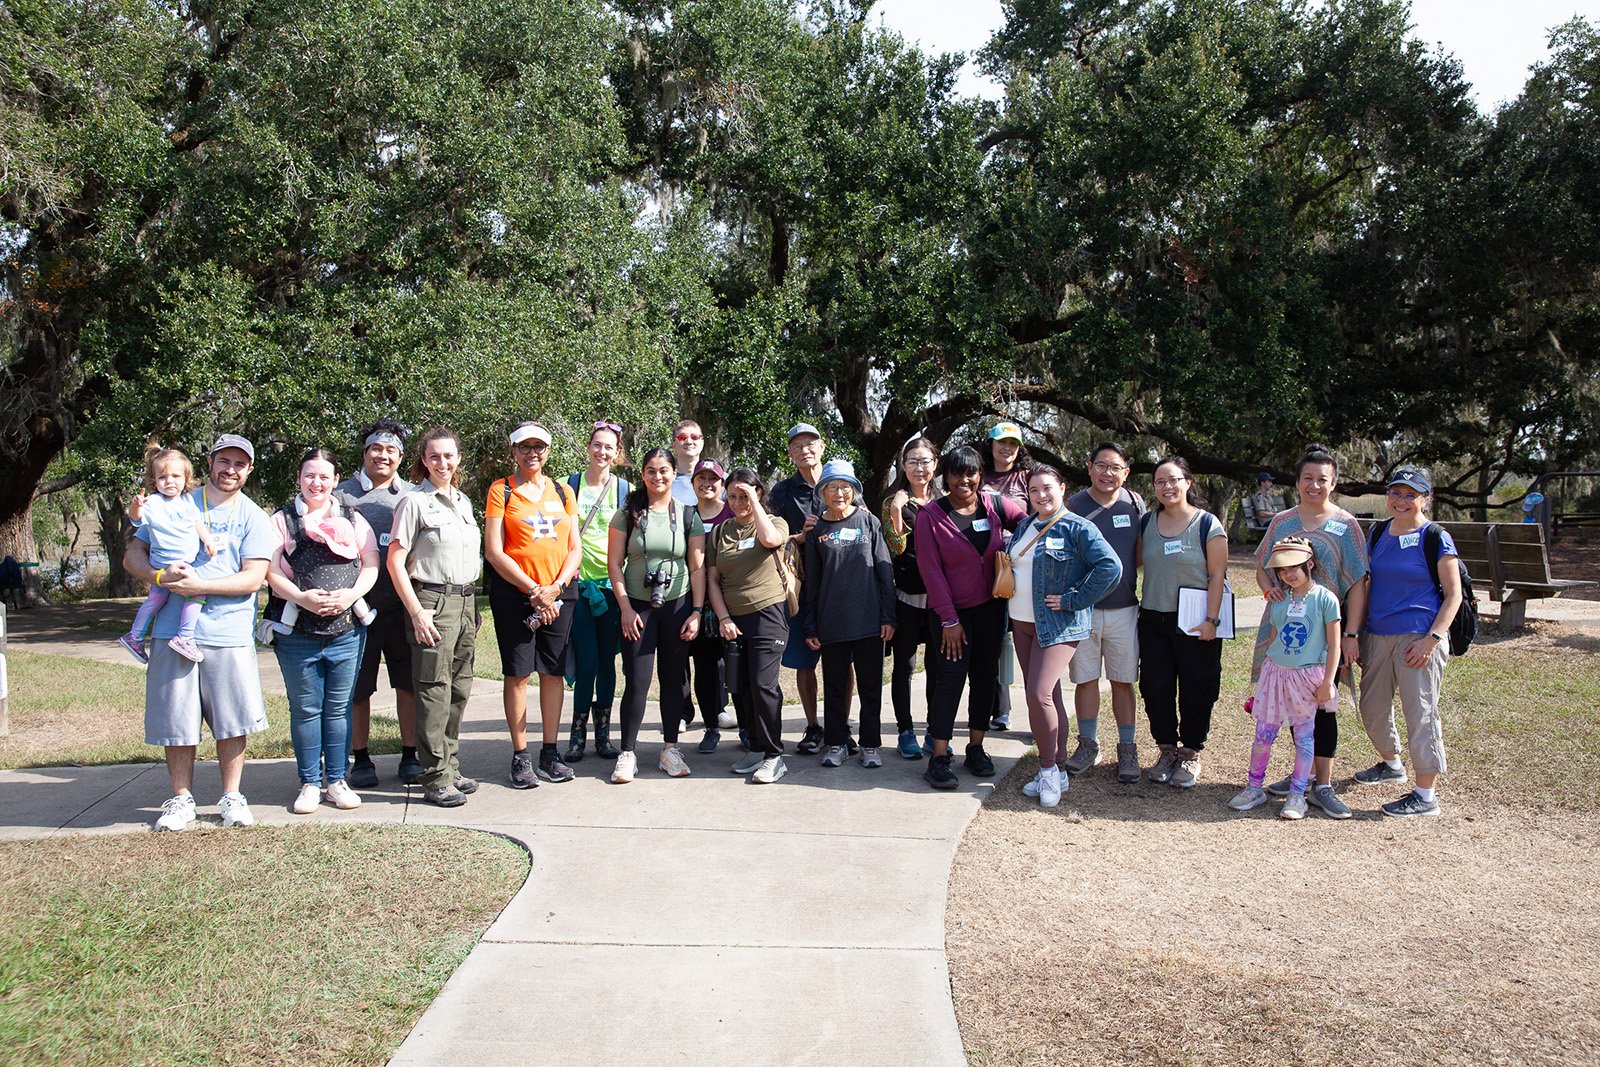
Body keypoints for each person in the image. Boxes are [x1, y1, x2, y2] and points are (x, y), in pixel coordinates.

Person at [123, 433, 274, 831]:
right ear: (209, 462)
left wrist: (199, 587)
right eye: (224, 461)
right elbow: (132, 555)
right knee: (176, 719)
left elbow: (254, 578)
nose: (231, 469)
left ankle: (232, 796)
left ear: (249, 470)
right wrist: (159, 575)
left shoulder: (253, 516)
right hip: (172, 630)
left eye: (240, 464)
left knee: (233, 720)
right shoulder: (173, 500)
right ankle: (181, 800)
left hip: (228, 633)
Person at [1252, 444, 1370, 819]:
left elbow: (1357, 582)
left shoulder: (1345, 525)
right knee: (1292, 706)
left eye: (1322, 479)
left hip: (1327, 638)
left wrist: (1352, 634)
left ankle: (1323, 784)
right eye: (1308, 478)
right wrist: (1266, 589)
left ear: (1333, 483)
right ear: (1298, 481)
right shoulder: (1282, 521)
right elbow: (1262, 564)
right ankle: (1301, 776)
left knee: (1323, 706)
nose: (1314, 485)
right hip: (1286, 636)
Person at [265, 448, 381, 814]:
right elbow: (268, 571)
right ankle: (309, 783)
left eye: (324, 476)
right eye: (310, 475)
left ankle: (336, 780)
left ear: (335, 480)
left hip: (346, 630)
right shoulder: (280, 521)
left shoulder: (353, 517)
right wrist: (302, 597)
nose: (317, 482)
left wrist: (349, 596)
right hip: (296, 630)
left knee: (338, 707)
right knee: (305, 709)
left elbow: (371, 565)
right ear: (299, 478)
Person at [914, 445, 1028, 789]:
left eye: (971, 473)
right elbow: (931, 572)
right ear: (945, 476)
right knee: (949, 680)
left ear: (980, 475)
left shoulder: (994, 505)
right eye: (956, 473)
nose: (964, 480)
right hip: (951, 616)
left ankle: (976, 748)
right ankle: (938, 756)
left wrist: (1011, 552)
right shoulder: (931, 516)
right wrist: (949, 620)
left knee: (984, 679)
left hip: (991, 610)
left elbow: (1029, 524)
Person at [1010, 465, 1122, 808]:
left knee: (1037, 694)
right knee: (1050, 695)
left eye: (1047, 488)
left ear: (1062, 488)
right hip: (1021, 622)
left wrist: (1074, 599)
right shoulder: (1024, 526)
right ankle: (1057, 769)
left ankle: (1045, 771)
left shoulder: (1077, 527)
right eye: (1033, 490)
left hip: (1057, 625)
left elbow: (1111, 567)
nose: (1041, 495)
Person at [1356, 466, 1462, 818]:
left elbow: (1453, 595)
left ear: (1425, 499)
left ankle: (1425, 795)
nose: (1401, 501)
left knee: (1421, 714)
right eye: (1396, 493)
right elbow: (1368, 585)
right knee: (1371, 709)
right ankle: (1391, 764)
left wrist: (1431, 640)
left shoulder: (1435, 536)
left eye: (1410, 495)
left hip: (1419, 637)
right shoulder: (1379, 532)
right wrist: (1356, 633)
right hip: (1377, 634)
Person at [388, 426, 482, 808]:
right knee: (433, 689)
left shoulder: (463, 501)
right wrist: (416, 612)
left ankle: (451, 766)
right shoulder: (414, 503)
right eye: (434, 456)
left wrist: (471, 608)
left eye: (449, 455)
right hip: (432, 601)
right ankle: (434, 776)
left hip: (465, 602)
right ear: (423, 461)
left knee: (459, 688)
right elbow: (395, 561)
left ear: (458, 459)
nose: (442, 462)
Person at [484, 422, 582, 789]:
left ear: (548, 451)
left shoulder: (563, 490)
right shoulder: (501, 490)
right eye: (524, 448)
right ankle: (521, 755)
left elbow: (575, 547)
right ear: (513, 452)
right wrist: (534, 591)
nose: (532, 454)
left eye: (539, 447)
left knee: (553, 672)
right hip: (516, 596)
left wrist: (554, 589)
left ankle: (550, 752)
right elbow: (494, 551)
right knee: (519, 673)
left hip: (559, 594)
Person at [606, 447, 706, 782]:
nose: (657, 476)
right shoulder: (627, 514)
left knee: (673, 680)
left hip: (678, 605)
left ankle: (670, 749)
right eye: (651, 470)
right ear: (643, 474)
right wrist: (623, 607)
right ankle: (627, 753)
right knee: (637, 680)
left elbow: (697, 568)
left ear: (674, 472)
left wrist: (696, 611)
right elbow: (614, 565)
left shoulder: (688, 515)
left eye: (664, 470)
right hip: (637, 605)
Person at [334, 419, 421, 788]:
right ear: (365, 452)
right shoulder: (342, 496)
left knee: (408, 685)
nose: (382, 455)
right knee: (359, 688)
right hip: (358, 610)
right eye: (376, 449)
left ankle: (409, 755)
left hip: (403, 606)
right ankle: (362, 759)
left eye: (391, 450)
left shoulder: (414, 494)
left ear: (401, 456)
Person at [1227, 537, 1341, 820]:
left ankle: (1297, 793)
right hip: (1275, 674)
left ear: (1310, 564)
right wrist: (1267, 673)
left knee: (1304, 737)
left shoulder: (1325, 599)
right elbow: (1276, 639)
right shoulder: (1279, 599)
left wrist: (1328, 681)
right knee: (1263, 735)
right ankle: (1254, 787)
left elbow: (1334, 644)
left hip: (1308, 677)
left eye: (1295, 567)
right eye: (1282, 570)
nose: (1289, 574)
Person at [1137, 456, 1228, 788]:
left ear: (1188, 482)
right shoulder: (1146, 523)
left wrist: (1211, 620)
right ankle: (1166, 749)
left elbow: (1217, 574)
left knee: (1197, 687)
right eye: (1160, 482)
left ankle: (1190, 753)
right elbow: (1134, 562)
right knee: (1155, 687)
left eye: (1173, 479)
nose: (1167, 487)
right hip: (1152, 619)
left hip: (1195, 620)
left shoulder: (1207, 524)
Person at [802, 459, 896, 768]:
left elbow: (885, 572)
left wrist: (888, 616)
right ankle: (836, 743)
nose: (839, 493)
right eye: (832, 488)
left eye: (845, 487)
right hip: (832, 623)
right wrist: (811, 624)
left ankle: (869, 745)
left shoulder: (868, 523)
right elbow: (812, 583)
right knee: (834, 687)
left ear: (854, 490)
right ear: (823, 492)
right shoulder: (818, 531)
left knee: (870, 688)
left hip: (869, 622)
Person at [1065, 442, 1145, 782]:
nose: (1107, 473)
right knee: (1085, 681)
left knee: (1123, 681)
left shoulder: (1135, 504)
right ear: (1089, 467)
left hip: (1124, 608)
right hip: (1083, 611)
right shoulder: (1073, 505)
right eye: (1101, 466)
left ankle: (1127, 748)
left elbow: (1140, 556)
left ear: (1125, 472)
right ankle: (1087, 744)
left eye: (1115, 467)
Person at [706, 468, 792, 784]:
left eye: (746, 495)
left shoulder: (774, 523)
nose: (739, 501)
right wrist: (724, 618)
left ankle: (774, 755)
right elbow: (713, 580)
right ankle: (755, 748)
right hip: (733, 619)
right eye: (733, 496)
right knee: (740, 685)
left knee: (762, 683)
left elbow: (770, 540)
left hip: (768, 613)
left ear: (758, 494)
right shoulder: (720, 532)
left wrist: (755, 503)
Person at [562, 420, 630, 763]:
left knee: (607, 663)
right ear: (587, 447)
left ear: (617, 453)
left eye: (609, 447)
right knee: (586, 661)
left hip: (614, 589)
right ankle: (577, 736)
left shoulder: (625, 490)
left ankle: (604, 735)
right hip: (579, 589)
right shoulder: (567, 486)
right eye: (597, 445)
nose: (602, 452)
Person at [119, 447, 218, 665]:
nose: (169, 481)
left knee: (156, 599)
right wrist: (135, 506)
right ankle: (184, 637)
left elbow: (196, 523)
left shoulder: (187, 501)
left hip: (181, 560)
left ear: (186, 478)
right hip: (166, 562)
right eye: (162, 477)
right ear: (154, 480)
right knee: (198, 593)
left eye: (175, 476)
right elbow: (137, 519)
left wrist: (208, 540)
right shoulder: (154, 502)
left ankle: (134, 636)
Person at [767, 421, 829, 754]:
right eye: (797, 446)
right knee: (806, 662)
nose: (805, 449)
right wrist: (799, 536)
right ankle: (813, 726)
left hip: (837, 587)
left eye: (811, 443)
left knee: (838, 661)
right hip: (802, 587)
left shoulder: (842, 483)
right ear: (790, 454)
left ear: (822, 447)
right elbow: (771, 540)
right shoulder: (782, 492)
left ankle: (839, 725)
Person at [882, 436, 941, 760]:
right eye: (912, 462)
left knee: (937, 666)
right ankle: (905, 730)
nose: (919, 468)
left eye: (925, 461)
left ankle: (934, 729)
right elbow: (895, 548)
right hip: (905, 598)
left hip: (938, 601)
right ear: (903, 466)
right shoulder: (894, 501)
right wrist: (895, 510)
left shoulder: (945, 500)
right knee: (903, 668)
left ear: (935, 464)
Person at [980, 421, 1032, 731]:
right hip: (989, 571)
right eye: (1002, 442)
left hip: (1024, 570)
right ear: (990, 444)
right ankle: (999, 708)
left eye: (1013, 443)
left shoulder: (1027, 478)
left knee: (1028, 640)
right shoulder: (978, 476)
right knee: (996, 640)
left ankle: (1037, 713)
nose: (1007, 448)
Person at [687, 459, 737, 751]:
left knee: (736, 666)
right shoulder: (685, 515)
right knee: (705, 668)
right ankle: (710, 727)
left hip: (733, 604)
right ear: (693, 483)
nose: (707, 484)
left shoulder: (733, 510)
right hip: (699, 603)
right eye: (701, 478)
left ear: (722, 483)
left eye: (713, 479)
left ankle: (745, 726)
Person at [670, 418, 705, 507]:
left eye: (695, 437)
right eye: (682, 438)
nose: (689, 442)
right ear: (673, 444)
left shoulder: (719, 480)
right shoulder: (664, 481)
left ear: (702, 443)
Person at [1242, 472, 1288, 537]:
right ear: (1262, 483)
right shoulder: (1259, 496)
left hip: (1273, 520)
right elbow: (1261, 513)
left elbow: (1273, 509)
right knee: (1284, 524)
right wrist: (1275, 514)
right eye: (1268, 481)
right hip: (1266, 522)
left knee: (1288, 521)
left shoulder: (1268, 497)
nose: (1271, 483)